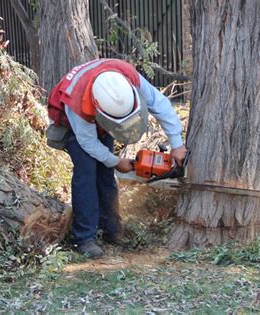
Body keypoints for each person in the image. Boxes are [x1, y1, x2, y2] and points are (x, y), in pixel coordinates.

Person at [47, 58, 187, 258]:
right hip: (72, 126)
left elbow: (160, 104)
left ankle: (111, 228)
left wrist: (177, 144)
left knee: (105, 175)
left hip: (100, 122)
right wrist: (116, 161)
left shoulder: (127, 76)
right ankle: (85, 238)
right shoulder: (78, 103)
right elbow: (88, 143)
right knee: (86, 174)